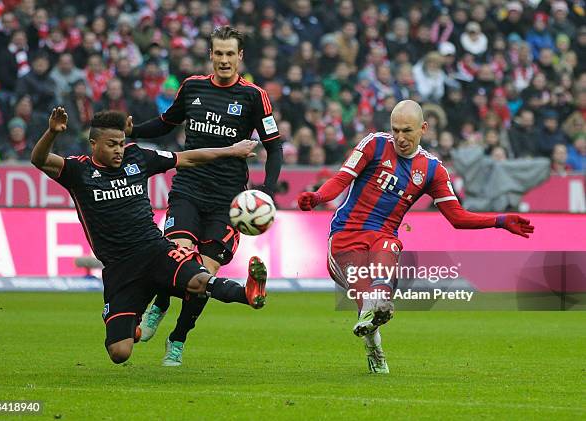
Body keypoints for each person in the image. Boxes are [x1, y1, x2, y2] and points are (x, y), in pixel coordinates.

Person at [297, 100, 534, 374]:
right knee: (366, 305)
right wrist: (317, 197)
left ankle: (379, 308)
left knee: (388, 246)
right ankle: (375, 340)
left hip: (382, 238)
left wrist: (501, 220)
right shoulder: (373, 144)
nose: (399, 137)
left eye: (407, 131)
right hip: (344, 239)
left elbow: (457, 217)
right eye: (395, 130)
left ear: (423, 128)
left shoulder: (433, 169)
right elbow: (341, 179)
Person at [31, 107, 268, 364]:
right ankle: (132, 323)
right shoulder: (78, 171)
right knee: (119, 353)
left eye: (121, 143)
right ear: (93, 143)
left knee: (201, 279)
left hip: (156, 251)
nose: (119, 150)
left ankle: (248, 293)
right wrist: (52, 133)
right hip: (120, 269)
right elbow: (39, 159)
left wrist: (231, 151)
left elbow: (186, 158)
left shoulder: (137, 157)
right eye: (112, 145)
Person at [124, 26, 282, 365]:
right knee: (179, 256)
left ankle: (178, 338)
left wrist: (267, 191)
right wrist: (132, 131)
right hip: (188, 189)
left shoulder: (254, 96)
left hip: (228, 200)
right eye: (218, 53)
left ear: (240, 56)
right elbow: (166, 124)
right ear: (211, 55)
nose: (224, 60)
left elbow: (274, 146)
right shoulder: (192, 87)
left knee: (206, 271)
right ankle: (161, 304)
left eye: (230, 54)